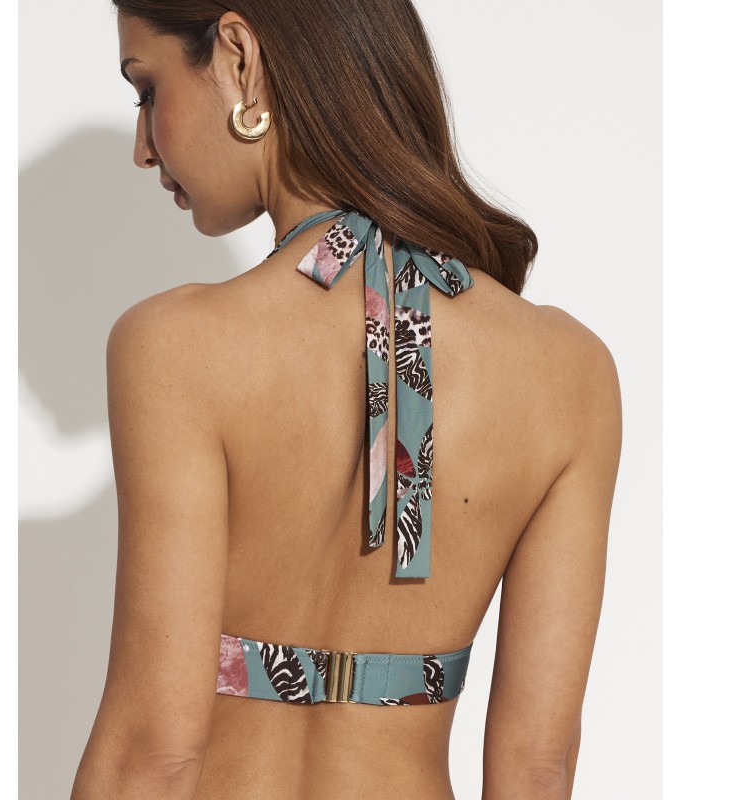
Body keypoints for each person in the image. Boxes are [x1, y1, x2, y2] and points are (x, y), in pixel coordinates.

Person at [70, 2, 622, 799]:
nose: (143, 146)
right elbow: (537, 770)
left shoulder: (173, 346)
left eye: (146, 88)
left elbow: (151, 754)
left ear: (239, 57)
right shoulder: (571, 372)